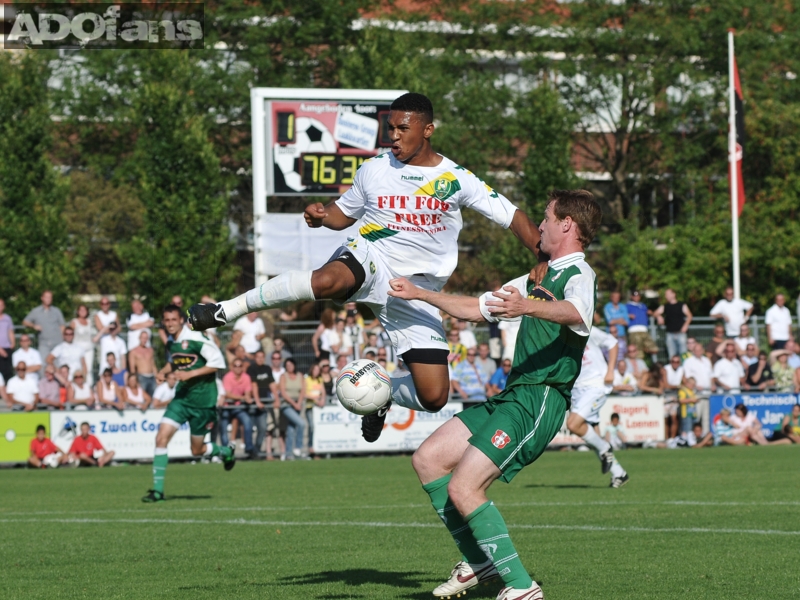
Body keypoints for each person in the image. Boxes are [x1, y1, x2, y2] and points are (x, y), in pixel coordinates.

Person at [187, 92, 547, 445]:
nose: (394, 135)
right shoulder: (374, 168)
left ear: (428, 129)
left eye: (403, 128)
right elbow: (342, 215)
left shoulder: (456, 178)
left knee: (434, 395)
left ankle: (383, 396)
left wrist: (543, 258)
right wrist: (321, 216)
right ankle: (226, 309)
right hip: (371, 257)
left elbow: (512, 216)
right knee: (327, 281)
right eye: (390, 128)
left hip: (418, 289)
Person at [386, 188, 601, 600]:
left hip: (540, 398)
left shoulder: (578, 274)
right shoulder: (536, 277)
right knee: (429, 459)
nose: (538, 225)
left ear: (567, 225)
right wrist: (420, 294)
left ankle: (522, 588)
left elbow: (576, 313)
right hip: (513, 395)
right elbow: (475, 306)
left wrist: (526, 308)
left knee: (465, 488)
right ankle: (480, 563)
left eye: (546, 217)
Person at [142, 305, 235, 503]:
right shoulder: (170, 341)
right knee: (161, 439)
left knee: (197, 450)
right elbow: (177, 361)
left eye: (173, 320)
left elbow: (218, 362)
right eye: (166, 320)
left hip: (203, 401)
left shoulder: (196, 339)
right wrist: (164, 371)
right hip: (182, 399)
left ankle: (226, 451)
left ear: (181, 320)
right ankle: (157, 491)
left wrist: (190, 374)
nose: (169, 324)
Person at [568, 325, 628, 486]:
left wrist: (610, 371)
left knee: (573, 424)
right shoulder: (555, 335)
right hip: (578, 390)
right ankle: (619, 474)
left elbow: (612, 342)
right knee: (592, 434)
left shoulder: (584, 328)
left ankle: (605, 448)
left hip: (596, 385)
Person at [220, 359, 256, 459]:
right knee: (223, 427)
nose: (238, 368)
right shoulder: (227, 377)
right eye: (235, 365)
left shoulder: (246, 377)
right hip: (227, 407)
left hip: (239, 407)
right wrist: (243, 397)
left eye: (240, 365)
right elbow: (228, 394)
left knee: (248, 422)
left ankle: (249, 448)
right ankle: (225, 451)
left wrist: (247, 397)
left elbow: (248, 393)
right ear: (232, 367)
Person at [248, 350, 278, 460]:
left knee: (263, 428)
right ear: (255, 358)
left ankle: (256, 451)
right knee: (250, 429)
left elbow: (272, 384)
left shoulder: (267, 368)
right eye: (258, 357)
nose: (260, 359)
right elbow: (254, 385)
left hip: (264, 403)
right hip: (253, 404)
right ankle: (250, 451)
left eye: (262, 357)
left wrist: (276, 399)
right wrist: (257, 401)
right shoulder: (251, 369)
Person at [22, 290, 66, 358]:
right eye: (46, 297)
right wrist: (33, 326)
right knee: (44, 364)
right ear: (42, 298)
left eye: (50, 297)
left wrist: (63, 340)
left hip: (57, 343)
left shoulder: (57, 311)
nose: (48, 299)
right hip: (44, 344)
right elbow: (25, 322)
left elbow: (62, 326)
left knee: (58, 365)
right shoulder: (36, 311)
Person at [279, 358, 306, 460]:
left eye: (291, 365)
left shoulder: (300, 376)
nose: (289, 367)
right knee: (301, 424)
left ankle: (289, 453)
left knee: (291, 430)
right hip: (287, 405)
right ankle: (298, 447)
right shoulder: (283, 376)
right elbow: (283, 392)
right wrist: (294, 404)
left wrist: (298, 403)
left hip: (298, 404)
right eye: (287, 365)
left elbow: (303, 390)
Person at [653, 288, 692, 359]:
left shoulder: (682, 305)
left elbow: (689, 316)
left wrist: (686, 325)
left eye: (667, 294)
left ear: (673, 294)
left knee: (683, 356)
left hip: (681, 333)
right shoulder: (665, 306)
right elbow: (655, 313)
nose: (666, 296)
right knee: (672, 356)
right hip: (670, 334)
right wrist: (658, 316)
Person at [626, 290, 658, 360]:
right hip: (634, 330)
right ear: (632, 297)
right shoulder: (628, 306)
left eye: (638, 296)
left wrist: (655, 315)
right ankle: (638, 366)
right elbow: (622, 314)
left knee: (654, 349)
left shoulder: (643, 306)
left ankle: (643, 348)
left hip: (644, 329)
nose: (636, 297)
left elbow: (650, 313)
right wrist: (628, 315)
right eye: (634, 296)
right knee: (637, 353)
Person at [304, 362, 327, 456]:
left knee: (318, 427)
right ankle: (310, 445)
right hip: (310, 407)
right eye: (315, 370)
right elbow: (304, 393)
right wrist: (315, 400)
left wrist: (322, 400)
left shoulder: (320, 380)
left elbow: (323, 392)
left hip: (318, 408)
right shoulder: (307, 379)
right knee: (311, 426)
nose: (316, 372)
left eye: (318, 370)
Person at [70, 304, 95, 385]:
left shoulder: (89, 322)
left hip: (89, 349)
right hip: (77, 349)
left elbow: (92, 336)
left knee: (89, 369)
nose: (82, 312)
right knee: (78, 368)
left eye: (84, 310)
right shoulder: (74, 322)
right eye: (81, 310)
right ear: (78, 311)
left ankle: (88, 386)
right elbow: (70, 334)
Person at [128, 330, 158, 397]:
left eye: (146, 338)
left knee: (154, 396)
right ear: (139, 338)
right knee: (142, 397)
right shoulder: (133, 351)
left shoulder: (150, 350)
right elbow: (132, 368)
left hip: (152, 377)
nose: (144, 340)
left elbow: (153, 365)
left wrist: (157, 377)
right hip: (141, 377)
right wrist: (135, 381)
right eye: (143, 338)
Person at [0, 298, 15, 382]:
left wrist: (12, 343)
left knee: (8, 372)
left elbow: (10, 331)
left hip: (7, 347)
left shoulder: (7, 318)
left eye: (1, 305)